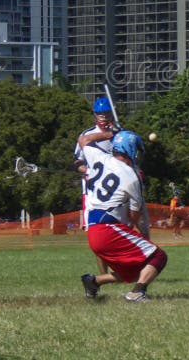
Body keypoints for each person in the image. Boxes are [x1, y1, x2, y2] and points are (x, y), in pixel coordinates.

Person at [79, 130, 168, 302]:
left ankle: (93, 282)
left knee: (137, 270)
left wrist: (107, 134)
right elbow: (135, 216)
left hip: (93, 230)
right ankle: (137, 293)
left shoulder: (100, 157)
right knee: (158, 257)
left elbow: (83, 139)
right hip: (109, 230)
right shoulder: (131, 176)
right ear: (131, 151)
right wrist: (144, 237)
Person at [73, 97, 118, 275]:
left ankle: (120, 270)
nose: (104, 118)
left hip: (116, 191)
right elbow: (77, 162)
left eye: (106, 114)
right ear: (94, 115)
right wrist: (87, 171)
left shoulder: (119, 134)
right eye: (100, 114)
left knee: (118, 232)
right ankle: (104, 275)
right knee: (97, 236)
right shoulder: (87, 135)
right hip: (92, 193)